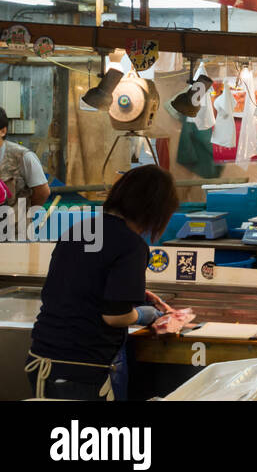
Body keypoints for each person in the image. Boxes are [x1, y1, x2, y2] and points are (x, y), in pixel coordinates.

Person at [26, 164, 178, 400]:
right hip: (78, 372)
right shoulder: (132, 245)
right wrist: (146, 314)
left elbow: (81, 280)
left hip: (43, 359)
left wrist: (136, 293)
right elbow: (115, 316)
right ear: (155, 211)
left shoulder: (81, 229)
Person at [1, 106, 50, 211]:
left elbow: (42, 192)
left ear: (2, 131)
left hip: (14, 225)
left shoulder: (23, 157)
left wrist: (23, 214)